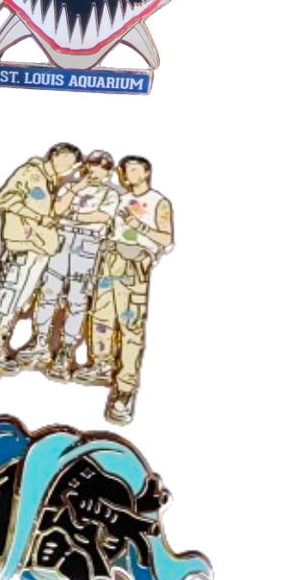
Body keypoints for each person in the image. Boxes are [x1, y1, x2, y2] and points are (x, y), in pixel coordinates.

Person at [0, 143, 82, 382]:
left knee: (18, 302)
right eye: (65, 160)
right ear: (54, 155)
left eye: (71, 165)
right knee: (5, 299)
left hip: (39, 248)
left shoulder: (50, 182)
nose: (67, 167)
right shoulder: (30, 173)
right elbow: (4, 200)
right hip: (22, 245)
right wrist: (38, 217)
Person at [75, 156, 174, 424]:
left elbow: (166, 238)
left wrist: (138, 227)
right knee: (101, 316)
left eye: (133, 169)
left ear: (146, 172)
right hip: (111, 259)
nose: (128, 174)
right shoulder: (120, 198)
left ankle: (125, 388)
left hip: (134, 263)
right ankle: (102, 363)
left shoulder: (158, 201)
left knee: (131, 325)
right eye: (125, 170)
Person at [17, 151, 120, 379]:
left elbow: (102, 217)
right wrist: (77, 190)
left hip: (87, 245)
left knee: (77, 299)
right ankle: (40, 341)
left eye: (102, 167)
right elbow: (57, 210)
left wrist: (73, 215)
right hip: (62, 240)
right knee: (48, 293)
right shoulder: (70, 187)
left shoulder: (110, 194)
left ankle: (65, 350)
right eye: (93, 165)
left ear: (108, 172)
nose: (96, 171)